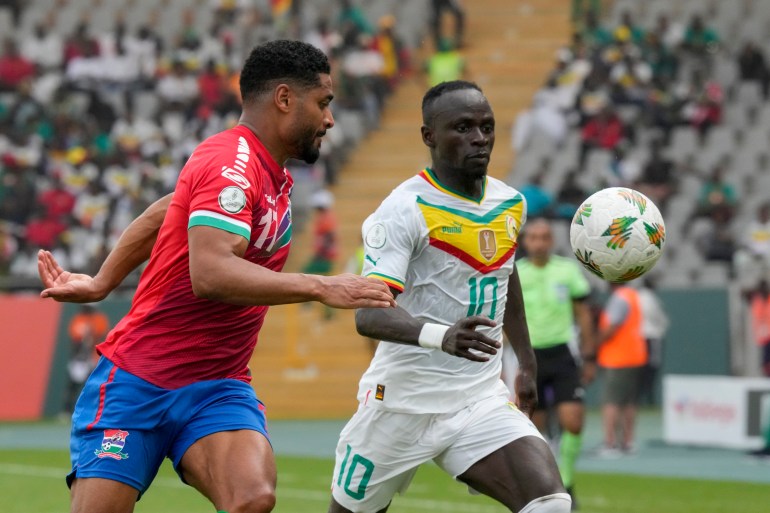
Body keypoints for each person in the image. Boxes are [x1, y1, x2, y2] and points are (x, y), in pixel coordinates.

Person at [37, 40, 395, 513]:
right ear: (285, 99)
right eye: (324, 103)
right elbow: (210, 273)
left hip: (216, 386)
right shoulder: (232, 163)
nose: (329, 120)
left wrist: (103, 281)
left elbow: (166, 210)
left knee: (252, 498)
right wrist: (322, 285)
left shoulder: (264, 172)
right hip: (139, 379)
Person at [327, 81, 569, 513]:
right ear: (429, 136)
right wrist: (442, 335)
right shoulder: (403, 209)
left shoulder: (510, 203)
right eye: (463, 127)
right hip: (399, 403)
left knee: (550, 503)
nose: (479, 138)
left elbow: (505, 278)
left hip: (476, 397)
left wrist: (526, 362)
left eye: (487, 127)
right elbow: (368, 315)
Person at [511, 218, 597, 509]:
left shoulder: (567, 270)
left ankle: (568, 481)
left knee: (573, 422)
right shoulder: (516, 274)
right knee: (534, 431)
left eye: (544, 237)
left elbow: (583, 314)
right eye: (533, 237)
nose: (539, 242)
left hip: (562, 354)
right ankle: (546, 484)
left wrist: (589, 355)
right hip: (529, 358)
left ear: (551, 241)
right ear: (526, 242)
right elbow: (504, 318)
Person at [596, 282, 647, 456]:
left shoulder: (619, 298)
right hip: (634, 355)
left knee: (612, 401)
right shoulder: (632, 295)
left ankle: (611, 444)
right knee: (628, 402)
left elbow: (611, 327)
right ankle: (627, 441)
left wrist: (595, 341)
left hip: (617, 358)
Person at [64, 304, 110, 415]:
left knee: (95, 384)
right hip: (80, 357)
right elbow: (75, 339)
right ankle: (67, 410)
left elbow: (102, 337)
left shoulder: (99, 319)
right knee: (73, 384)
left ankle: (95, 411)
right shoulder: (78, 319)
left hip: (95, 355)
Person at [637, 278, 669, 405]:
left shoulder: (637, 297)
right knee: (651, 368)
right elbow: (659, 318)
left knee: (642, 369)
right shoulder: (650, 299)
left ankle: (643, 398)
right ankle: (648, 398)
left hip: (639, 337)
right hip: (652, 337)